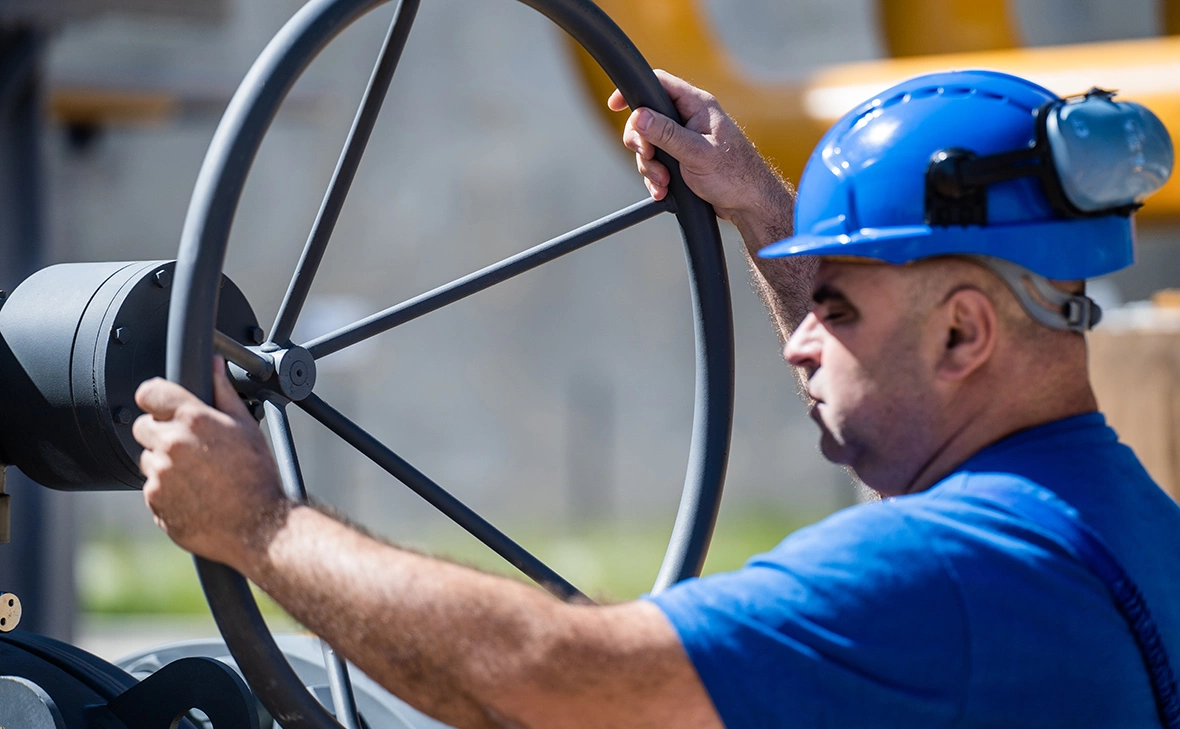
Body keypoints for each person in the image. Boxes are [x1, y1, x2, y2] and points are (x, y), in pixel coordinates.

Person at [133, 68, 1180, 729]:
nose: (798, 347)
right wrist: (763, 208)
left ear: (963, 332)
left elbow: (548, 681)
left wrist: (259, 526)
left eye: (839, 311)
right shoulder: (1122, 516)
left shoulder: (937, 582)